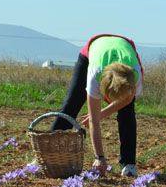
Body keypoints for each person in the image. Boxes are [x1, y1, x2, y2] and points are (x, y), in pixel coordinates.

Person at [52, 33, 144, 178]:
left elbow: (126, 101)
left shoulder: (135, 74)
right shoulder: (95, 74)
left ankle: (129, 163)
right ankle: (47, 153)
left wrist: (101, 114)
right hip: (92, 50)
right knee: (72, 103)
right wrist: (99, 157)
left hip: (125, 47)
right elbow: (94, 121)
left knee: (127, 112)